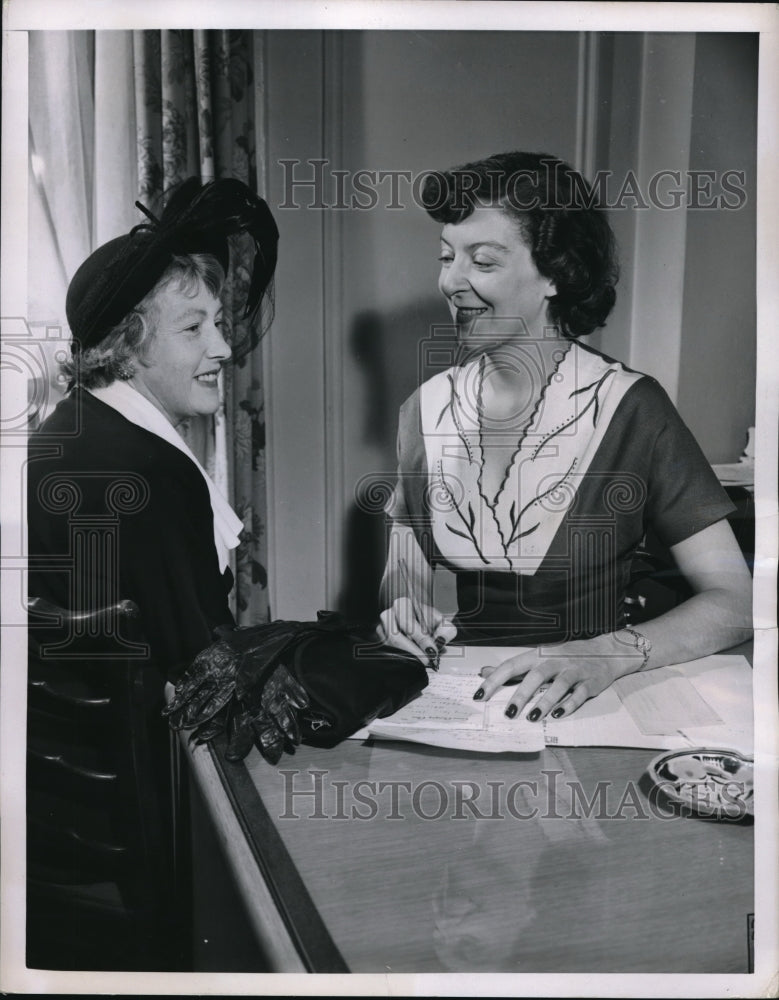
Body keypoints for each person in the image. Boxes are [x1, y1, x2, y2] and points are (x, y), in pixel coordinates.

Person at [378, 151, 752, 722]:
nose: (451, 282)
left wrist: (605, 655)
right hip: (467, 702)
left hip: (598, 700)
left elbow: (736, 601)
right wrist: (403, 604)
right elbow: (406, 563)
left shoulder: (632, 408)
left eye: (482, 261)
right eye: (446, 257)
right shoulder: (422, 410)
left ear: (556, 272)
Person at [27, 177, 279, 682]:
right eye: (193, 328)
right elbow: (204, 675)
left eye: (218, 324)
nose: (224, 350)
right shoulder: (149, 473)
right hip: (146, 754)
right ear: (127, 346)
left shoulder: (72, 429)